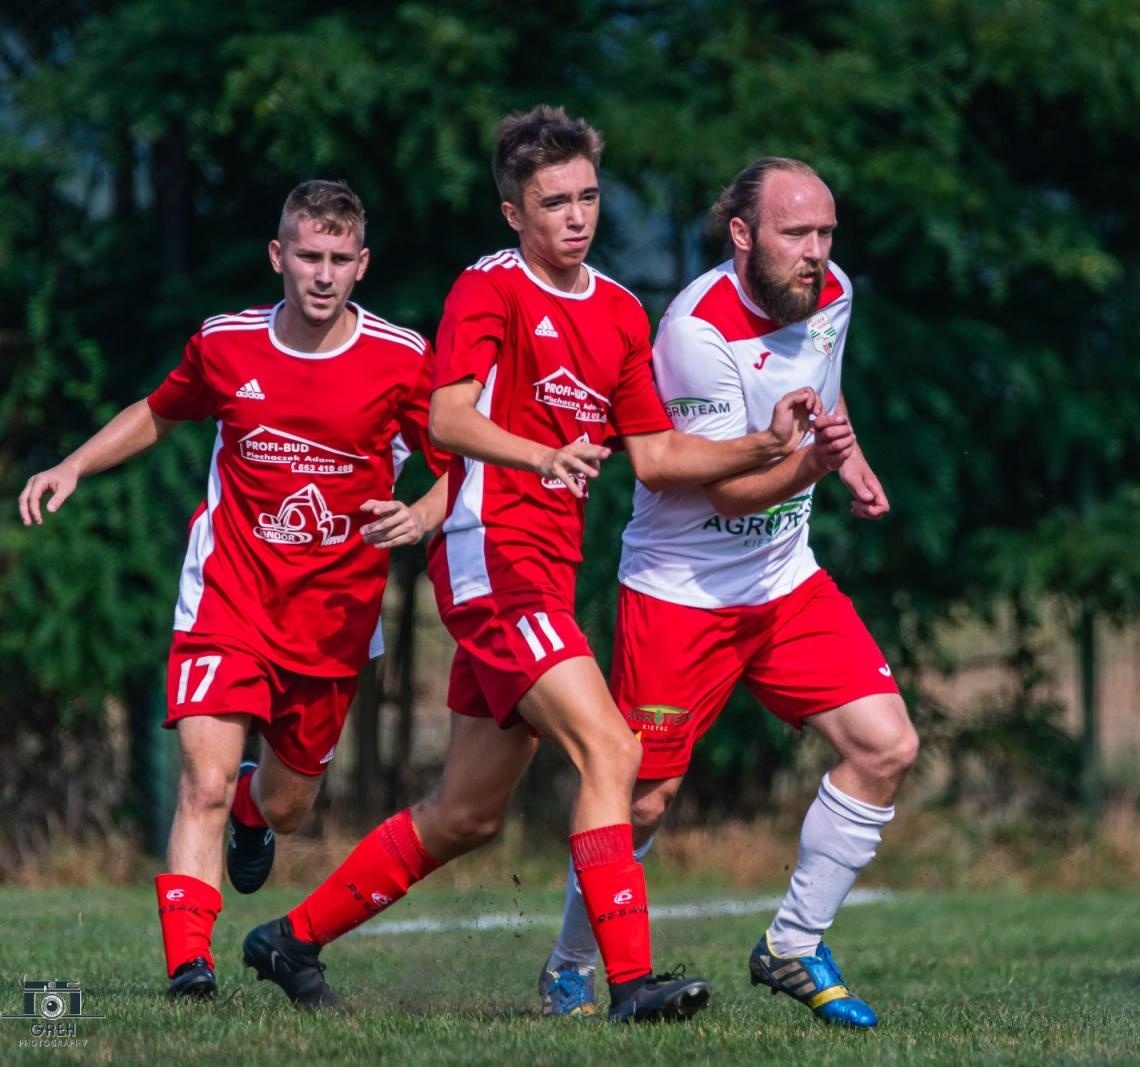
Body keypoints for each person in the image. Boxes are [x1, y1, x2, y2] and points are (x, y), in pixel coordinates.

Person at [241, 108, 822, 1023]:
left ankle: (289, 939)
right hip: (491, 560)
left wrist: (763, 444)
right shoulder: (490, 289)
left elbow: (659, 457)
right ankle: (628, 983)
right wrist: (536, 454)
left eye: (589, 196)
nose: (578, 216)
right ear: (515, 212)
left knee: (467, 813)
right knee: (613, 749)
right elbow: (447, 420)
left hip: (545, 572)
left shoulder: (623, 311)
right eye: (555, 202)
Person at [16, 180, 448, 999]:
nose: (322, 275)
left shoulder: (401, 357)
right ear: (278, 256)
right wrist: (73, 462)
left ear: (362, 264)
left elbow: (460, 458)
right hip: (230, 594)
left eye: (338, 260)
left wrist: (424, 511)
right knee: (202, 780)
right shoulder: (226, 344)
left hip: (334, 617)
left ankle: (258, 811)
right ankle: (190, 965)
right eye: (307, 257)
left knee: (287, 804)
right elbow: (158, 410)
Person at [537, 157, 916, 1030]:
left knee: (886, 744)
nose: (816, 253)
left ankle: (793, 943)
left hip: (786, 580)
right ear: (743, 235)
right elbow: (729, 492)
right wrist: (811, 465)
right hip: (682, 590)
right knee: (640, 797)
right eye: (796, 235)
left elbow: (825, 387)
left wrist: (847, 458)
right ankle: (570, 962)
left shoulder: (836, 294)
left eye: (826, 234)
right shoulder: (694, 332)